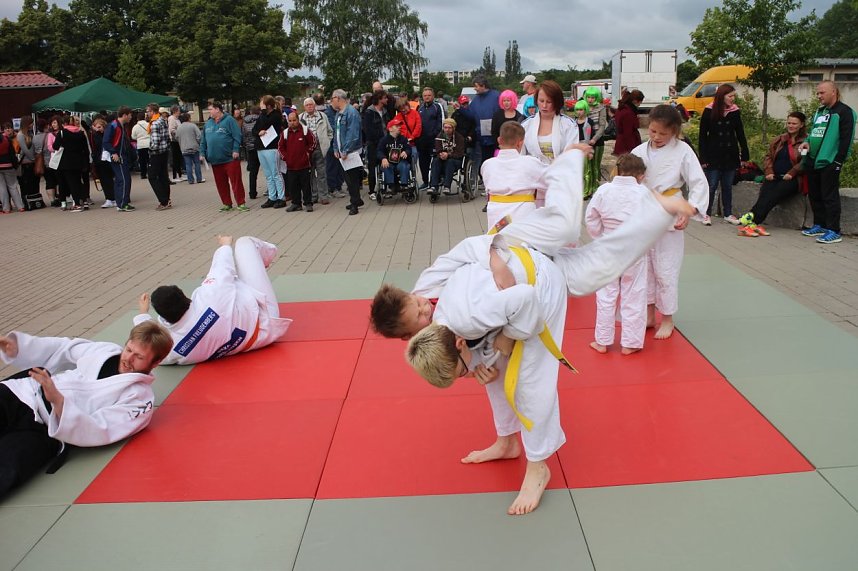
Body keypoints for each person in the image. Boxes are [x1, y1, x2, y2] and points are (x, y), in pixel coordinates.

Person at [370, 147, 692, 515]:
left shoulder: (451, 304)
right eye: (418, 317)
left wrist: (496, 276)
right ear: (409, 336)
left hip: (523, 266)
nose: (424, 307)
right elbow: (468, 341)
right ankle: (508, 441)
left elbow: (500, 293)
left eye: (417, 304)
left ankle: (538, 467)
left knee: (531, 383)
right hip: (523, 273)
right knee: (598, 267)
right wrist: (480, 363)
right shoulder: (443, 332)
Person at [0, 321, 172, 497]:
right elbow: (63, 348)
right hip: (23, 393)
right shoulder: (105, 351)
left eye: (139, 357)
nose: (128, 359)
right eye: (128, 349)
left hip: (46, 431)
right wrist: (20, 348)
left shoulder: (139, 400)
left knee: (7, 471)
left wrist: (59, 402)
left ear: (156, 362)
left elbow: (101, 428)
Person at [134, 235, 291, 365]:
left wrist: (142, 314)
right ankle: (267, 256)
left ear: (162, 318)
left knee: (230, 286)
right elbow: (223, 266)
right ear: (185, 297)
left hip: (257, 339)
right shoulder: (210, 296)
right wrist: (225, 244)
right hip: (265, 316)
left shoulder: (171, 347)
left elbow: (150, 348)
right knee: (244, 243)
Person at [631, 104, 708, 340]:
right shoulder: (639, 150)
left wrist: (690, 210)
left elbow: (698, 182)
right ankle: (649, 314)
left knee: (666, 268)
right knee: (644, 268)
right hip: (644, 212)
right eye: (653, 131)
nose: (656, 137)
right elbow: (625, 179)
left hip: (671, 209)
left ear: (674, 131)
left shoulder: (683, 151)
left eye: (663, 133)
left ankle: (667, 318)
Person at [585, 154, 652, 354]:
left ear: (618, 170)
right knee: (634, 295)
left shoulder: (604, 190)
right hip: (633, 248)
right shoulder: (643, 193)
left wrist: (599, 236)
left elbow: (591, 218)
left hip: (608, 246)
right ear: (640, 175)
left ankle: (602, 341)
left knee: (606, 295)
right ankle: (630, 343)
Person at [798, 80, 857, 244]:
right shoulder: (820, 111)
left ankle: (834, 230)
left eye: (822, 92)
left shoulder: (845, 112)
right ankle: (820, 224)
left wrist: (838, 162)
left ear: (833, 92)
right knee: (815, 195)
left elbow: (846, 139)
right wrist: (807, 142)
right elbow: (814, 132)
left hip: (830, 161)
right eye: (817, 93)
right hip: (812, 160)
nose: (818, 96)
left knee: (829, 196)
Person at [737, 112, 808, 237]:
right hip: (774, 176)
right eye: (789, 123)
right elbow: (768, 156)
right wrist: (769, 171)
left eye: (794, 123)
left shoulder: (806, 141)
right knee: (765, 193)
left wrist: (792, 173)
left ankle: (751, 219)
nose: (791, 126)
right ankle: (753, 224)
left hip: (793, 179)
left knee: (773, 195)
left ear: (801, 125)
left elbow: (805, 162)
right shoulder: (780, 140)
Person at [699, 84, 750, 225]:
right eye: (730, 96)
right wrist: (703, 158)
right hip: (713, 155)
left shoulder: (735, 111)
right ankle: (706, 213)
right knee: (711, 185)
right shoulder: (709, 111)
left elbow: (740, 134)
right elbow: (702, 136)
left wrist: (745, 154)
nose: (733, 99)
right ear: (722, 97)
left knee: (727, 186)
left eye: (734, 96)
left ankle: (728, 213)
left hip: (730, 154)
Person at [481, 122, 547, 228]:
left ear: (499, 140)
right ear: (520, 143)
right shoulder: (531, 163)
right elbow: (550, 183)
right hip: (523, 216)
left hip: (497, 218)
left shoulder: (487, 165)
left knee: (498, 238)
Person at [200, 101, 248, 212]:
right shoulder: (208, 124)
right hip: (215, 160)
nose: (209, 111)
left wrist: (235, 149)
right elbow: (203, 141)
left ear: (217, 109)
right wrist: (202, 153)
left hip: (230, 158)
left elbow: (237, 135)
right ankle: (227, 203)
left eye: (210, 109)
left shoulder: (229, 120)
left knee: (236, 182)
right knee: (221, 183)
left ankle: (241, 203)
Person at [331, 89, 364, 215]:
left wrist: (345, 150)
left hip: (351, 152)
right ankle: (356, 199)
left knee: (352, 179)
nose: (331, 101)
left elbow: (353, 135)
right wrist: (336, 148)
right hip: (342, 151)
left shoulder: (351, 113)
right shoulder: (339, 113)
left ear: (338, 98)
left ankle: (355, 203)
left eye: (332, 98)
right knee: (348, 178)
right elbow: (337, 132)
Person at [278, 112, 317, 212]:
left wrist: (307, 153)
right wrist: (286, 158)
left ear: (298, 120)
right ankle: (296, 204)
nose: (292, 122)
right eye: (290, 121)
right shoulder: (285, 133)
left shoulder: (305, 130)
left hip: (304, 165)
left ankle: (308, 203)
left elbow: (313, 142)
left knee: (306, 186)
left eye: (294, 120)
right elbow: (280, 147)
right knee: (293, 186)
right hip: (291, 166)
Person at [299, 97, 334, 205]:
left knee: (321, 173)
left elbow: (329, 131)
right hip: (307, 149)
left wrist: (327, 142)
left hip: (320, 147)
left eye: (311, 104)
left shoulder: (322, 116)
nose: (309, 106)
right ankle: (313, 196)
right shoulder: (300, 118)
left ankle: (323, 196)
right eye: (307, 105)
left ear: (314, 106)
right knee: (310, 174)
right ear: (304, 107)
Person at [52, 116, 90, 212]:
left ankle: (77, 204)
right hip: (79, 161)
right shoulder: (80, 133)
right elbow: (86, 149)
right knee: (79, 181)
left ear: (64, 123)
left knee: (71, 183)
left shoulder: (62, 133)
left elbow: (55, 146)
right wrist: (86, 162)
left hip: (67, 162)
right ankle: (85, 201)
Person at [469, 75, 501, 187]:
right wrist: (460, 109)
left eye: (476, 86)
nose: (475, 89)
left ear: (483, 86)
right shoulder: (475, 100)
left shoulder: (496, 96)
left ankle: (496, 181)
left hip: (497, 136)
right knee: (484, 161)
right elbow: (470, 115)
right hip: (482, 136)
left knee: (495, 160)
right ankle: (486, 180)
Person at [256, 95, 287, 209]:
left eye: (262, 103)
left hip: (272, 147)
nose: (260, 105)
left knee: (276, 173)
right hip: (261, 147)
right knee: (268, 175)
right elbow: (255, 129)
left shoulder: (275, 115)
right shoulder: (261, 115)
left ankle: (281, 197)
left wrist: (264, 112)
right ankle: (272, 197)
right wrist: (258, 132)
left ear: (268, 105)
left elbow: (266, 124)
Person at [103, 107, 135, 212]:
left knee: (121, 179)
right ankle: (122, 204)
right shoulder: (114, 125)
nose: (131, 117)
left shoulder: (120, 126)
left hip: (122, 156)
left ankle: (121, 203)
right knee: (124, 179)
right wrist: (113, 152)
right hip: (118, 156)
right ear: (125, 115)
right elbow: (106, 141)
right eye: (130, 115)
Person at [362, 90, 389, 200]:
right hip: (373, 144)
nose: (387, 99)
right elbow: (367, 130)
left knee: (385, 165)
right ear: (379, 99)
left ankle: (384, 188)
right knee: (372, 167)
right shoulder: (369, 112)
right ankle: (372, 191)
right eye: (385, 98)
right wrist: (377, 139)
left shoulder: (385, 111)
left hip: (385, 143)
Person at [144, 104, 172, 211]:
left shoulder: (154, 123)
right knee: (163, 176)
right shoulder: (163, 120)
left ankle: (163, 200)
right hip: (164, 152)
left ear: (152, 111)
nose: (147, 113)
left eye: (148, 111)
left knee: (152, 176)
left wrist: (150, 149)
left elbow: (155, 142)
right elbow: (167, 138)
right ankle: (167, 199)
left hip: (156, 153)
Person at [429, 118, 466, 196]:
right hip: (442, 159)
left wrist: (448, 155)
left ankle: (447, 186)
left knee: (450, 162)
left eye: (449, 128)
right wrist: (441, 154)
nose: (447, 130)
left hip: (455, 160)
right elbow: (437, 149)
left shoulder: (459, 138)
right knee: (435, 161)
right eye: (445, 127)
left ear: (453, 128)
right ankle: (434, 186)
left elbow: (460, 153)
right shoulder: (439, 136)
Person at [417, 87, 444, 189]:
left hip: (434, 139)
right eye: (425, 96)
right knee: (423, 162)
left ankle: (435, 181)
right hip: (422, 140)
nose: (427, 97)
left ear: (433, 96)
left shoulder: (437, 106)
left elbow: (441, 121)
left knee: (435, 161)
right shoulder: (420, 108)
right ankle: (425, 181)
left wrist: (436, 134)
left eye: (429, 95)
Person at [583, 87, 608, 196]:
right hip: (586, 139)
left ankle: (596, 189)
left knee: (596, 166)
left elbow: (602, 126)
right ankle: (587, 189)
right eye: (588, 97)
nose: (590, 99)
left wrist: (595, 138)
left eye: (593, 97)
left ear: (596, 98)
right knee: (587, 167)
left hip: (597, 139)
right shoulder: (583, 106)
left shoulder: (601, 108)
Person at [90, 118, 116, 209]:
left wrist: (96, 133)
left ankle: (111, 198)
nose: (98, 129)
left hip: (106, 159)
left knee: (108, 180)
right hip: (99, 160)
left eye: (100, 127)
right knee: (104, 180)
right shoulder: (94, 135)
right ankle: (110, 198)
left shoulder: (104, 135)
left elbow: (101, 144)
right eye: (96, 127)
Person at [378, 120, 412, 191]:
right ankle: (391, 186)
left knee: (404, 165)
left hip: (401, 161)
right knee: (386, 166)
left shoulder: (403, 139)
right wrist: (383, 158)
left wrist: (406, 152)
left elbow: (409, 148)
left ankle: (404, 185)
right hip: (388, 162)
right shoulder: (384, 140)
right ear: (390, 129)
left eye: (399, 126)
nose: (399, 127)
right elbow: (379, 151)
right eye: (397, 126)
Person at [573, 100, 597, 197]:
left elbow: (591, 136)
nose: (579, 112)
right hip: (576, 147)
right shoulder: (573, 122)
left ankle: (587, 191)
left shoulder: (589, 122)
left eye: (581, 109)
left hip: (586, 147)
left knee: (587, 171)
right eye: (577, 109)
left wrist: (590, 150)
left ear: (585, 110)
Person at [0, 124, 24, 213]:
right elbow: (12, 154)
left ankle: (6, 208)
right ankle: (20, 206)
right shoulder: (6, 140)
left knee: (1, 187)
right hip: (8, 165)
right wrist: (15, 165)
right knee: (13, 186)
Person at [613, 89, 644, 156]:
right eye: (640, 102)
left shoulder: (622, 109)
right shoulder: (628, 112)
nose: (639, 105)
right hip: (626, 146)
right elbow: (628, 133)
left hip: (622, 143)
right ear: (635, 101)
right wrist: (633, 149)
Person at [176, 113, 203, 185]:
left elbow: (176, 137)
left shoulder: (179, 127)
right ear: (188, 118)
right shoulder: (193, 125)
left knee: (188, 165)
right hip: (194, 147)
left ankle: (190, 180)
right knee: (197, 163)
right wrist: (198, 142)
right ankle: (199, 178)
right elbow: (199, 135)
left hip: (184, 148)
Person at [242, 106, 260, 199]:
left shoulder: (245, 122)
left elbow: (243, 135)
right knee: (267, 171)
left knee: (253, 172)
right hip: (260, 147)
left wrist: (247, 145)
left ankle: (252, 193)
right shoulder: (260, 120)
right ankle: (271, 191)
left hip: (250, 148)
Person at [168, 105, 185, 182]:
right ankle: (175, 176)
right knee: (175, 158)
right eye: (178, 110)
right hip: (174, 141)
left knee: (179, 158)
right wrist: (179, 133)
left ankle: (180, 174)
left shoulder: (177, 119)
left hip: (178, 140)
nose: (179, 112)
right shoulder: (172, 118)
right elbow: (172, 130)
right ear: (175, 111)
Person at [130, 113, 150, 180]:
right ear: (144, 117)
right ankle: (151, 173)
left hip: (140, 145)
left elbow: (133, 137)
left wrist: (138, 138)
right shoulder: (148, 124)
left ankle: (143, 174)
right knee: (149, 159)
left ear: (137, 118)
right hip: (148, 143)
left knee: (142, 160)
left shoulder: (135, 127)